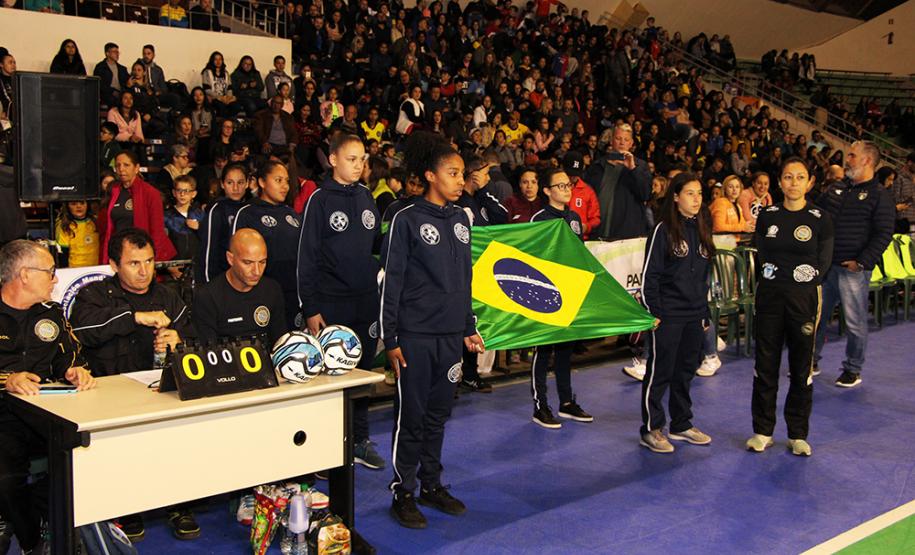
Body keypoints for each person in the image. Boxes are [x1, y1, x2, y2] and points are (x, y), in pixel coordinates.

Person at [381, 131, 484, 529]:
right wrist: (390, 338)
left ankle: (431, 484)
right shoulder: (406, 219)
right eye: (454, 173)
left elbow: (465, 278)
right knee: (412, 416)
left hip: (448, 338)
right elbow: (392, 280)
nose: (462, 180)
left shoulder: (461, 219)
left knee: (439, 414)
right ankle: (402, 492)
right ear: (430, 175)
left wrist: (467, 325)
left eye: (463, 174)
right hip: (415, 337)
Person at [69, 228, 195, 540]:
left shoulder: (168, 295)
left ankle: (176, 504)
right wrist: (134, 316)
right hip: (109, 394)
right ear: (113, 264)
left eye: (150, 261)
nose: (144, 271)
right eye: (134, 263)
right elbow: (83, 329)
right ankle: (127, 508)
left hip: (160, 391)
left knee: (178, 438)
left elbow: (196, 338)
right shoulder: (94, 294)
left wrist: (179, 341)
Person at [0, 240, 96, 555]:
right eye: (50, 272)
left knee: (79, 454)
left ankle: (51, 518)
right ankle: (31, 541)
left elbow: (70, 357)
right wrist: (6, 379)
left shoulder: (52, 314)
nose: (56, 280)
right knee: (7, 478)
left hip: (46, 413)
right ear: (25, 275)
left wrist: (74, 371)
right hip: (4, 418)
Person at [296, 133, 385, 470]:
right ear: (332, 159)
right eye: (352, 159)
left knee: (361, 374)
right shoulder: (319, 200)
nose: (359, 165)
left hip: (365, 302)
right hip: (331, 304)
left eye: (363, 159)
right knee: (329, 377)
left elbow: (376, 244)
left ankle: (360, 439)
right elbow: (307, 257)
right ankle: (324, 444)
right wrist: (311, 307)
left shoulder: (366, 197)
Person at [748, 157, 833, 457]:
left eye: (800, 177)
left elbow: (823, 263)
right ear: (780, 181)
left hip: (804, 300)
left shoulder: (820, 218)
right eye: (787, 177)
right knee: (765, 365)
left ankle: (797, 434)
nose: (793, 183)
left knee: (800, 368)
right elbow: (760, 256)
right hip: (770, 297)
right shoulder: (768, 216)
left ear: (809, 182)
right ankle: (763, 431)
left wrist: (801, 281)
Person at [639, 172, 715, 453]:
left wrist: (704, 313)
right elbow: (650, 276)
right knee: (660, 371)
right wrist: (653, 312)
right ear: (675, 196)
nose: (696, 199)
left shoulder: (703, 228)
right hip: (668, 314)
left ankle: (681, 424)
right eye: (690, 193)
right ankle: (651, 428)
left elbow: (705, 276)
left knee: (685, 371)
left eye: (699, 193)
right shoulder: (663, 230)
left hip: (694, 313)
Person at [813, 141, 895, 387]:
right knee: (816, 317)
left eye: (851, 155)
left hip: (853, 270)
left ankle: (852, 368)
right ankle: (810, 361)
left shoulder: (880, 196)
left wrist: (862, 262)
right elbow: (816, 213)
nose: (847, 159)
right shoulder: (837, 188)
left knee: (854, 323)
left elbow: (883, 233)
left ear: (867, 161)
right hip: (826, 267)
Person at [528, 168, 593, 428]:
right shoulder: (540, 218)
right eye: (560, 186)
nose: (566, 189)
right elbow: (532, 257)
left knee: (565, 351)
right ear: (547, 191)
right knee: (543, 351)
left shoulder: (574, 217)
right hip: (544, 295)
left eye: (568, 185)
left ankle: (566, 402)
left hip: (570, 293)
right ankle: (539, 406)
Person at [232, 161, 300, 326]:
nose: (285, 186)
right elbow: (235, 257)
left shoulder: (292, 215)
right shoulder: (247, 213)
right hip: (260, 295)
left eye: (286, 181)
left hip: (293, 295)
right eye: (278, 180)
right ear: (262, 182)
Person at [194, 228, 287, 345]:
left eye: (262, 262)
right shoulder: (208, 296)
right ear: (230, 259)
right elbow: (208, 353)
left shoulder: (272, 290)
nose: (257, 271)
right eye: (248, 263)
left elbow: (280, 343)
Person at [97, 151, 176, 263]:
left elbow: (157, 231)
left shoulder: (150, 193)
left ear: (136, 167)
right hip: (118, 253)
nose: (121, 169)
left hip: (141, 255)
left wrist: (153, 261)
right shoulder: (113, 190)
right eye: (118, 165)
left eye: (126, 165)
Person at [584, 123, 652, 240]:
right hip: (597, 232)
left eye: (626, 140)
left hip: (625, 236)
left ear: (631, 144)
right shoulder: (597, 165)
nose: (622, 143)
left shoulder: (640, 166)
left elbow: (645, 194)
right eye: (618, 138)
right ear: (611, 141)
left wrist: (632, 169)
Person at [196, 163, 249, 283]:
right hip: (222, 279)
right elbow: (208, 251)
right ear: (222, 184)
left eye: (240, 182)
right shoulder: (217, 210)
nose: (235, 188)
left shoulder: (250, 209)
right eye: (230, 183)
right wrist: (208, 284)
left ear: (247, 183)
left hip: (245, 278)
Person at [164, 175, 204, 266]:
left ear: (193, 194)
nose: (182, 194)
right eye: (179, 190)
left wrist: (200, 227)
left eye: (186, 191)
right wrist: (169, 267)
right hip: (174, 265)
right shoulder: (166, 216)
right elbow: (162, 243)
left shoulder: (200, 215)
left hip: (196, 264)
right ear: (174, 192)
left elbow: (209, 238)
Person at [563, 151, 601, 239]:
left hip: (581, 239)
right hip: (560, 237)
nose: (572, 177)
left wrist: (586, 227)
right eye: (569, 174)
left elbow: (595, 218)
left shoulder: (588, 191)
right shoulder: (554, 189)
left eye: (576, 174)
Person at [55, 200, 99, 268]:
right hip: (75, 270)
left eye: (82, 203)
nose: (78, 206)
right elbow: (63, 253)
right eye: (73, 204)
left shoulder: (95, 222)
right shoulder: (65, 226)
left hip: (97, 268)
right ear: (67, 207)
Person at [93, 42, 129, 108]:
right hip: (107, 96)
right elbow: (100, 84)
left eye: (118, 52)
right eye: (114, 52)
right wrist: (112, 91)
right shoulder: (100, 67)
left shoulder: (122, 69)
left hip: (121, 95)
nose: (117, 54)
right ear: (107, 53)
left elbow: (126, 82)